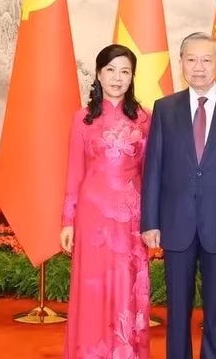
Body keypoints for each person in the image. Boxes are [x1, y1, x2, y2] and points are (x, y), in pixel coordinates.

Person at [140, 32, 216, 359]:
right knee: (177, 310)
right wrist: (150, 221)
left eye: (207, 60)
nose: (199, 67)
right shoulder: (165, 109)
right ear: (181, 64)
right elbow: (154, 169)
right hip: (176, 224)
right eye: (191, 60)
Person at [60, 44, 151, 359]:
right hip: (92, 218)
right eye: (111, 70)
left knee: (127, 287)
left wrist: (152, 220)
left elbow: (151, 175)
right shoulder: (82, 119)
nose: (117, 77)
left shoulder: (145, 119)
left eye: (125, 71)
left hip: (132, 219)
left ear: (132, 77)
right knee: (92, 289)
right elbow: (75, 172)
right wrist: (67, 220)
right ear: (98, 74)